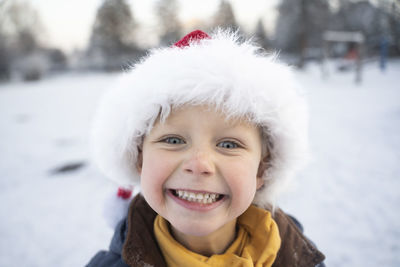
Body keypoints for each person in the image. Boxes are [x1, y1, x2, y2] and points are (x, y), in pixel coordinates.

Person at [87, 29, 325, 267]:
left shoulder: (301, 261)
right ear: (139, 159)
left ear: (262, 170)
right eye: (173, 140)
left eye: (229, 144)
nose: (199, 164)